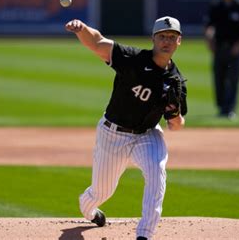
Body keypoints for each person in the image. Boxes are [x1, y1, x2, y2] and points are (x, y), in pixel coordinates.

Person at [65, 16, 188, 240]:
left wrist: (175, 113)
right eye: (162, 36)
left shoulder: (176, 80)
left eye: (172, 37)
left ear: (179, 41)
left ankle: (145, 234)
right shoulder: (132, 59)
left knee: (156, 172)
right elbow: (98, 42)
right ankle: (89, 210)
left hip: (147, 135)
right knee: (102, 192)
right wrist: (81, 29)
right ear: (153, 38)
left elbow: (176, 126)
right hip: (113, 133)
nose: (167, 41)